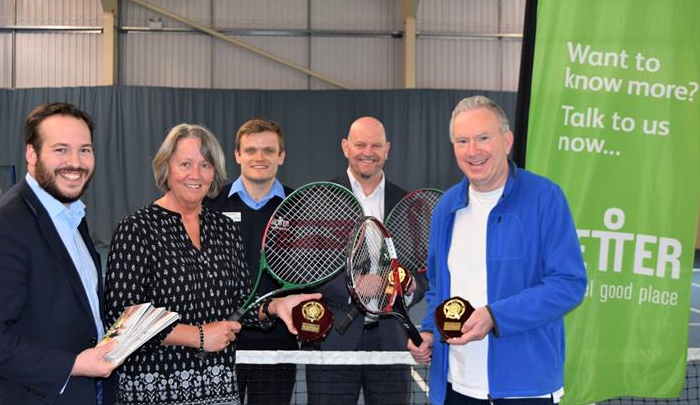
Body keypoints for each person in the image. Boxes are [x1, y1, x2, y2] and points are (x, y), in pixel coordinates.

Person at [104, 123, 319, 405]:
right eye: (185, 164)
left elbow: (241, 303)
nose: (196, 175)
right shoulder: (136, 229)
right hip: (153, 389)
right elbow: (121, 318)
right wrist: (198, 336)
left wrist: (274, 307)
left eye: (206, 165)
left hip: (218, 388)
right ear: (166, 167)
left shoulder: (224, 229)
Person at [407, 95, 587, 405]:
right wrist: (428, 332)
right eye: (462, 141)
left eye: (483, 138)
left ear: (506, 141)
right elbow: (438, 288)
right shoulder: (446, 208)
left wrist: (494, 316)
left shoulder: (546, 197)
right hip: (456, 386)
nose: (473, 150)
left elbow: (569, 284)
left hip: (526, 389)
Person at [0, 102, 119, 405]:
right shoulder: (0, 228)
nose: (76, 162)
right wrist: (74, 366)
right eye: (61, 150)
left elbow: (69, 306)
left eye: (85, 150)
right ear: (31, 154)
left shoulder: (73, 216)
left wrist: (120, 322)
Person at [305, 116, 423, 405]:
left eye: (375, 145)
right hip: (332, 340)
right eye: (359, 144)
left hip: (391, 341)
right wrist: (354, 287)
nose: (367, 152)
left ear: (387, 149)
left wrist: (409, 286)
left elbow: (423, 274)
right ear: (346, 147)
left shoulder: (407, 203)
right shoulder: (319, 199)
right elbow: (306, 269)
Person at [204, 118, 296, 404]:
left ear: (281, 156)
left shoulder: (299, 205)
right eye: (251, 150)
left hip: (277, 345)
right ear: (237, 155)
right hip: (219, 341)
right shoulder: (211, 203)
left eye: (269, 151)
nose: (260, 158)